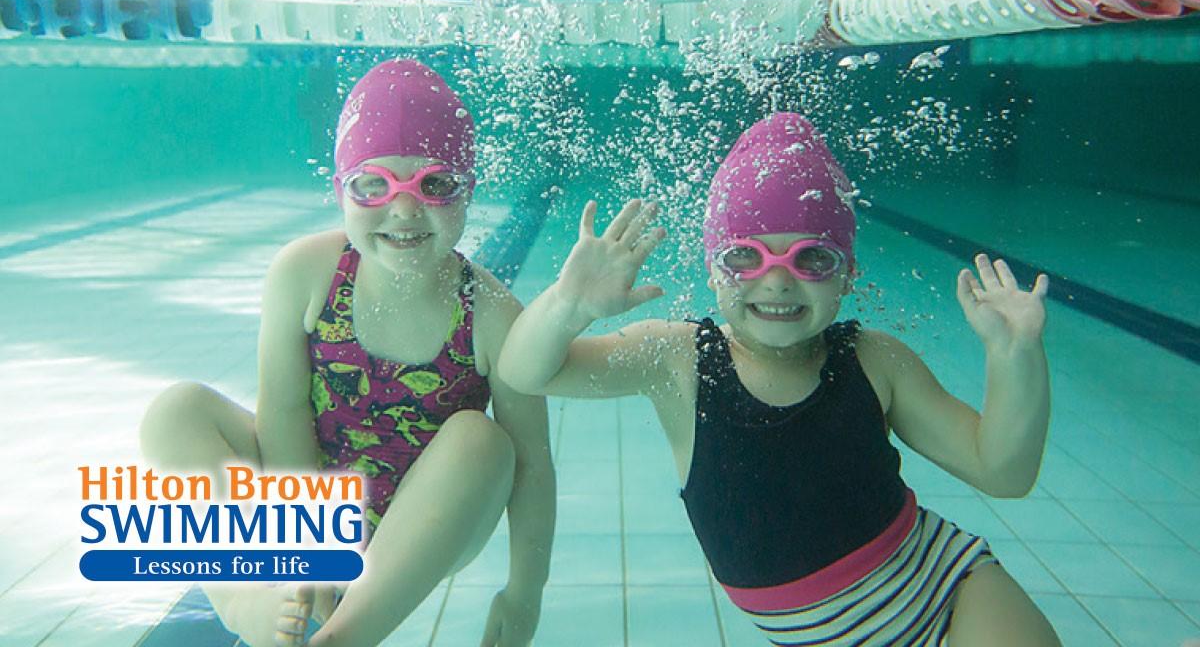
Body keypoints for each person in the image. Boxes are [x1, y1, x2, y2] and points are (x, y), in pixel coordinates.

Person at [497, 112, 1060, 645]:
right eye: (744, 257)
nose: (777, 282)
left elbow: (1002, 471)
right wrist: (569, 304)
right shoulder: (677, 360)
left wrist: (1015, 355)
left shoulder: (874, 360)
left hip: (948, 586)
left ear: (848, 274)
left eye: (813, 260)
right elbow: (526, 373)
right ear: (712, 268)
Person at [140, 58, 554, 647]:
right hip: (309, 491)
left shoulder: (493, 317)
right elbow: (284, 409)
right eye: (372, 184)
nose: (404, 210)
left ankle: (344, 637)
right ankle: (240, 596)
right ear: (341, 191)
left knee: (481, 440)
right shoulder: (306, 272)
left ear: (468, 191)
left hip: (426, 524)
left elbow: (532, 469)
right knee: (176, 410)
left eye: (435, 184)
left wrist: (524, 592)